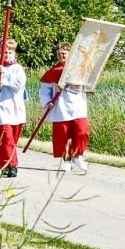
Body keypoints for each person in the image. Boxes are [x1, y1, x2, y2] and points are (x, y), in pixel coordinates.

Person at [39, 41, 90, 174]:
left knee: (81, 131)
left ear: (70, 54)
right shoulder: (53, 72)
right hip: (61, 106)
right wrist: (47, 101)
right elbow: (44, 90)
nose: (61, 55)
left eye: (64, 53)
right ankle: (67, 160)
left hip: (78, 105)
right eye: (59, 53)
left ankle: (78, 156)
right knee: (63, 135)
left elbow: (88, 84)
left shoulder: (80, 69)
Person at [0, 37, 26, 177]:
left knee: (11, 140)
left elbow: (18, 85)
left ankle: (5, 164)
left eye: (10, 52)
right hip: (1, 108)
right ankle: (11, 165)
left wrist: (3, 75)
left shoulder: (17, 69)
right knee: (5, 137)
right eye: (5, 52)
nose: (7, 54)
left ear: (14, 53)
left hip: (15, 108)